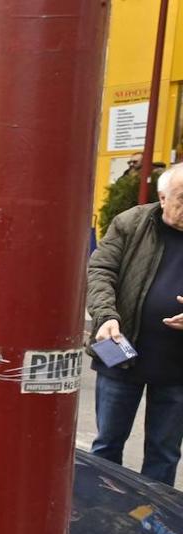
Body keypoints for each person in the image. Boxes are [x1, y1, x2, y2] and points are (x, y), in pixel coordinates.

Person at [87, 164, 183, 485]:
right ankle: (100, 511)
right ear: (162, 197)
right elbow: (101, 270)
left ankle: (154, 523)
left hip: (177, 367)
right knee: (108, 444)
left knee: (164, 452)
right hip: (120, 352)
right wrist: (106, 315)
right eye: (182, 201)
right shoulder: (131, 223)